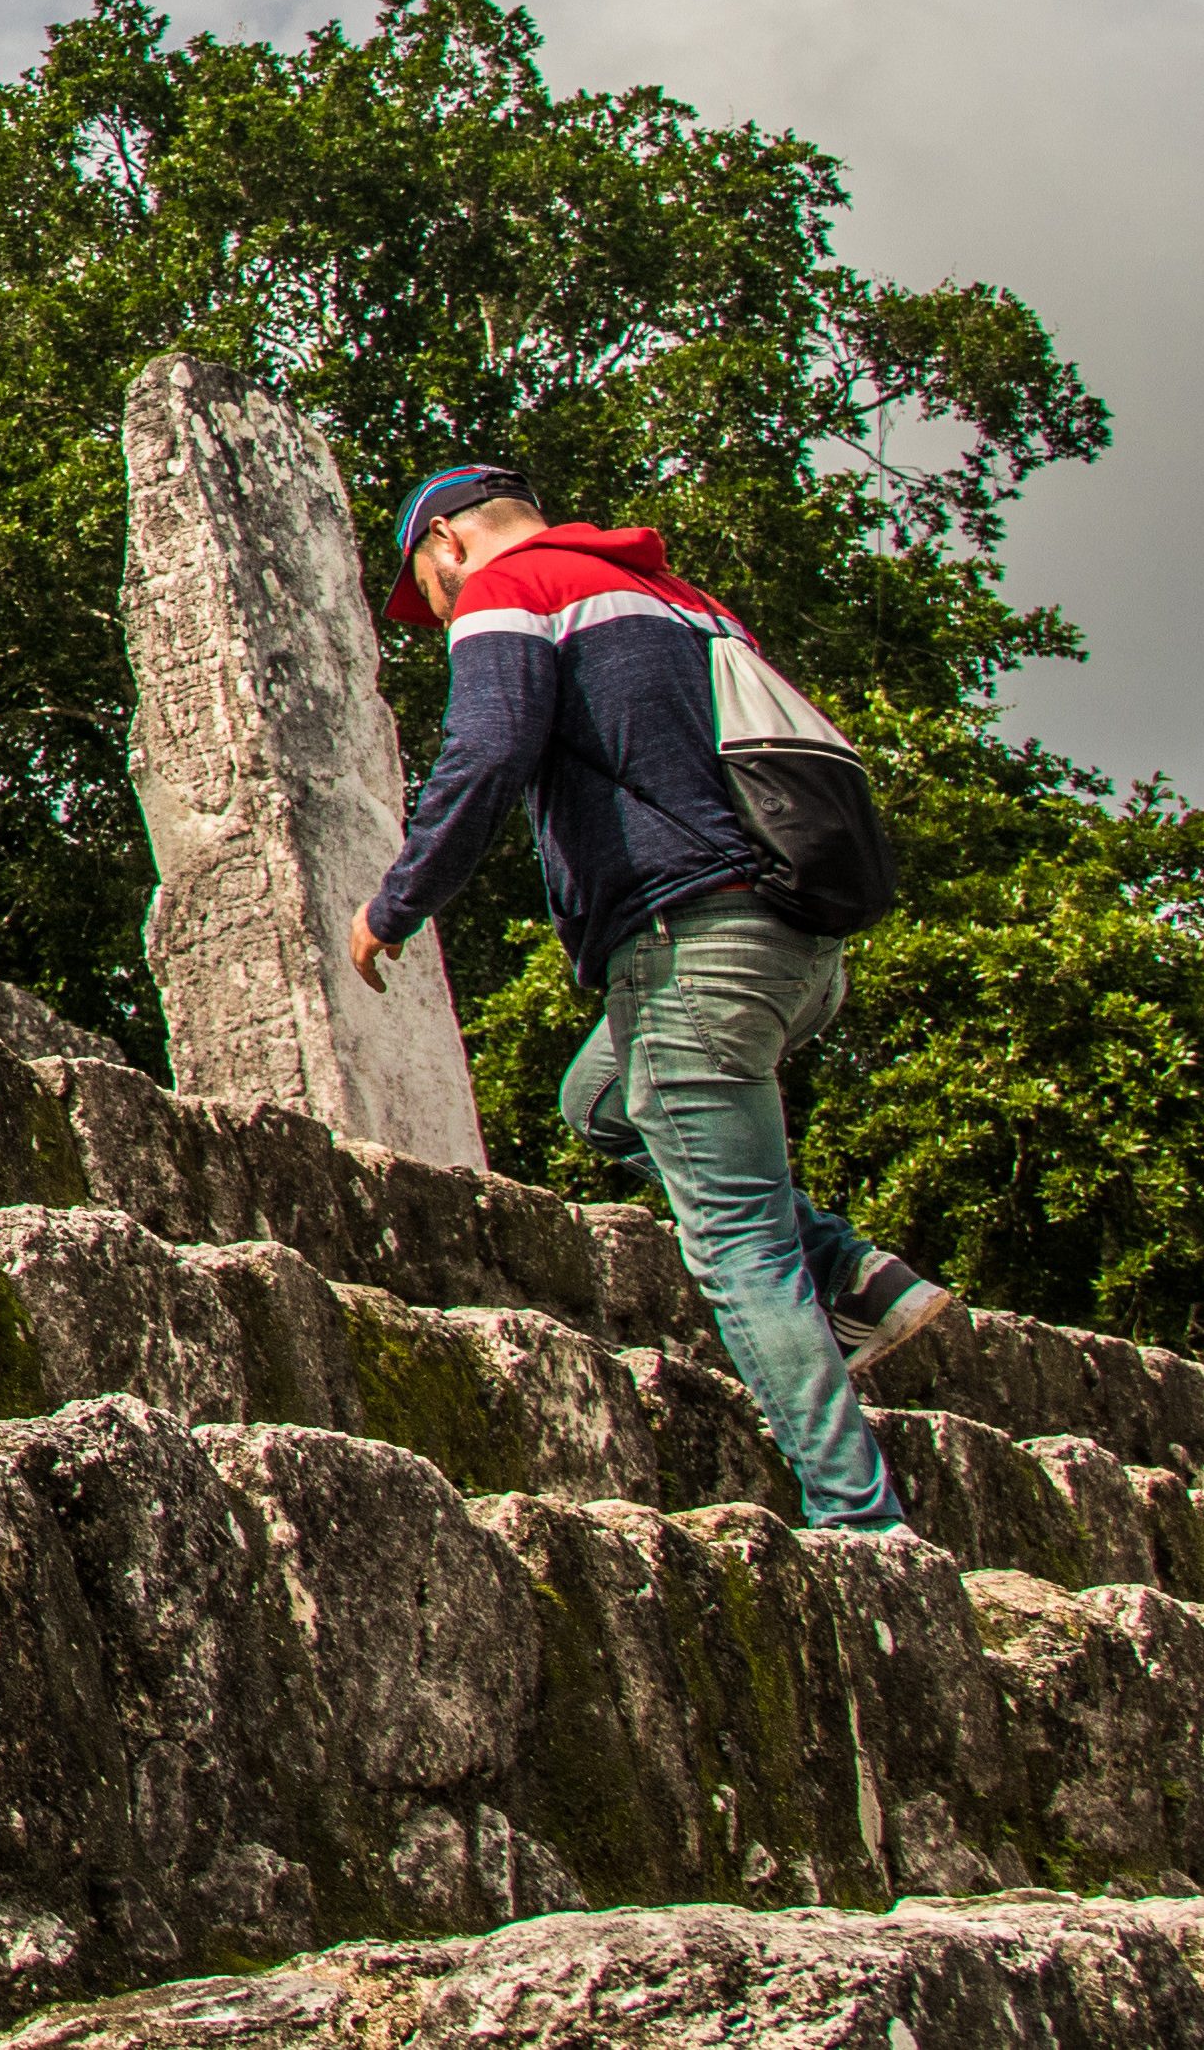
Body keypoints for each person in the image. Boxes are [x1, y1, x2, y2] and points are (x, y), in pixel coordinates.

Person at [344, 461, 949, 1533]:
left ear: (446, 547)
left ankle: (863, 1524)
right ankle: (856, 1275)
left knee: (736, 1240)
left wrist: (398, 902)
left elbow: (486, 751)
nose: (436, 614)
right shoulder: (683, 598)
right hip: (799, 944)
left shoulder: (508, 590)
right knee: (602, 1101)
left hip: (688, 940)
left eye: (425, 594)